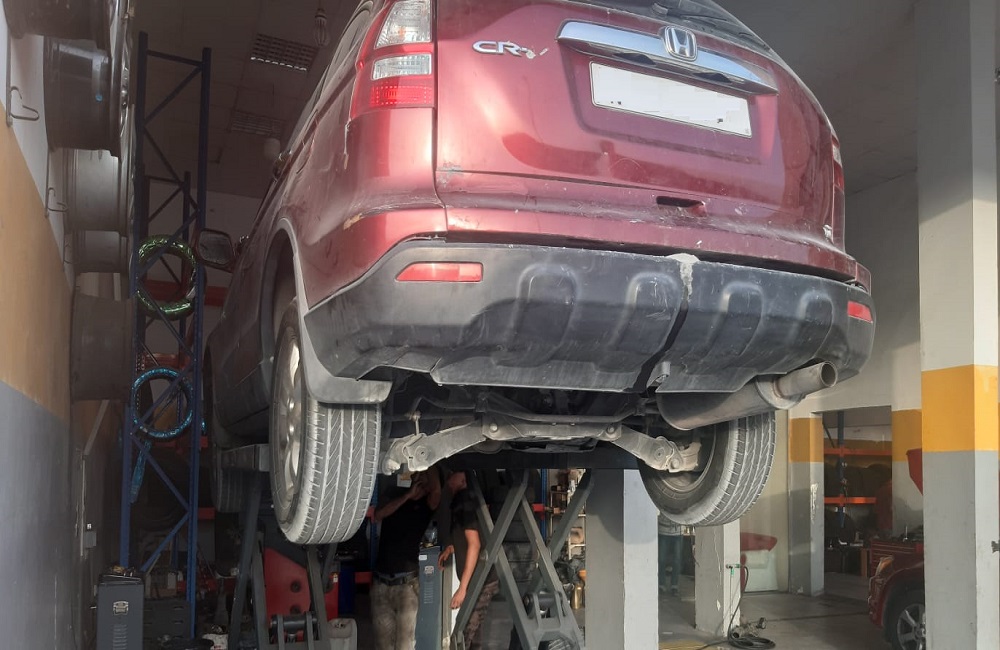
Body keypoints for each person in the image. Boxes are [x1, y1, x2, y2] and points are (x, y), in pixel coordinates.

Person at [371, 467, 442, 650]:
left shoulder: (426, 505)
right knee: (383, 644)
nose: (422, 480)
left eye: (426, 476)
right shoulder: (394, 493)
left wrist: (430, 462)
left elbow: (436, 491)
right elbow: (378, 515)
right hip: (381, 584)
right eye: (420, 474)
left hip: (407, 586)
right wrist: (407, 496)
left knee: (405, 644)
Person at [440, 469, 499, 650]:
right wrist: (452, 547)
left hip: (480, 581)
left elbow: (474, 544)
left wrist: (463, 589)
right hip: (481, 578)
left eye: (452, 475)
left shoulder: (464, 501)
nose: (448, 480)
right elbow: (467, 534)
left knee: (463, 635)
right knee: (474, 636)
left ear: (463, 478)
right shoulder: (467, 499)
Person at [658, 513, 684, 596]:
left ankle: (674, 585)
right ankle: (661, 584)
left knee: (677, 560)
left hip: (678, 530)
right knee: (661, 559)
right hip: (663, 529)